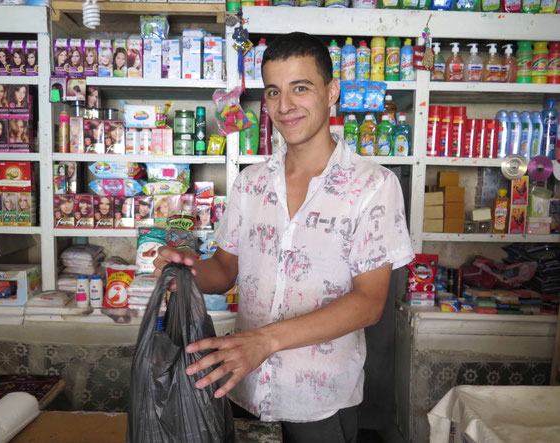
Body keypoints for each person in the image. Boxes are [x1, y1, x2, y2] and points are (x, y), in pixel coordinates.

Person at [153, 32, 414, 443]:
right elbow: (223, 271)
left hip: (319, 401)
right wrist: (183, 270)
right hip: (241, 384)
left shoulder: (373, 186)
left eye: (301, 88)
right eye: (274, 91)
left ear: (332, 91)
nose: (285, 105)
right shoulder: (250, 183)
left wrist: (265, 341)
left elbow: (368, 303)